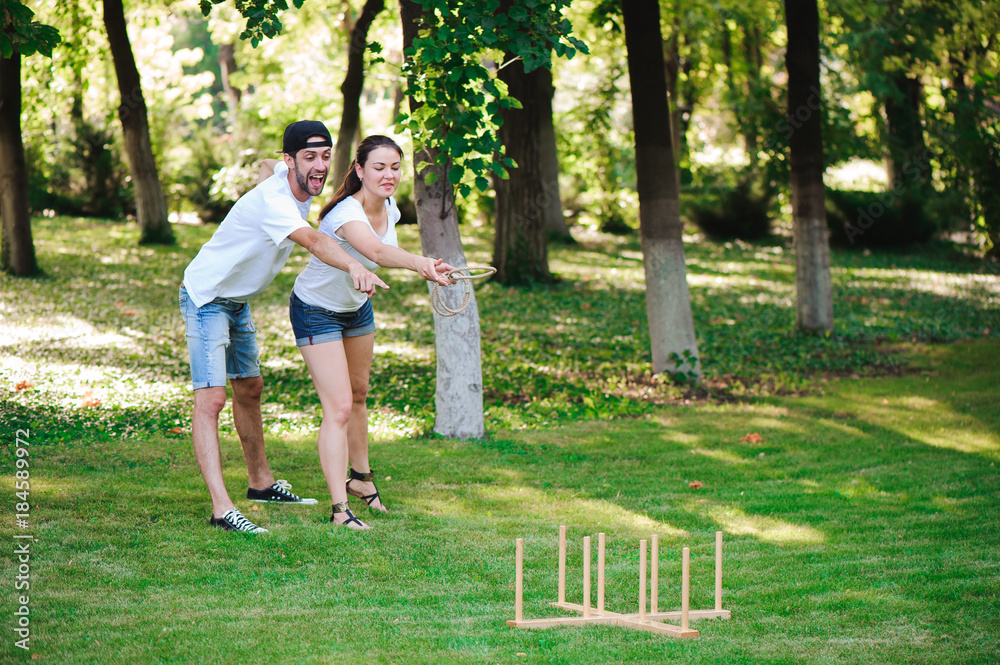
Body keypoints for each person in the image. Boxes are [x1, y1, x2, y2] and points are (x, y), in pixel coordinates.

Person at [179, 120, 388, 534]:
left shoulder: (287, 178)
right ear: (291, 158)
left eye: (326, 156)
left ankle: (261, 483)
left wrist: (275, 164)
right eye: (309, 157)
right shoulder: (277, 201)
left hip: (237, 301)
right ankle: (222, 508)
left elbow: (264, 165)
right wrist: (352, 264)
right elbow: (313, 241)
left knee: (250, 388)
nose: (320, 166)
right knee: (212, 400)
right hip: (206, 297)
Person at [287, 135, 454, 529]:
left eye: (395, 167)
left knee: (359, 394)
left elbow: (381, 252)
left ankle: (361, 480)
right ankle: (339, 509)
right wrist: (422, 263)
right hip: (316, 310)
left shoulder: (391, 207)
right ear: (359, 170)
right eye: (379, 167)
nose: (389, 175)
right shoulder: (347, 212)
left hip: (356, 308)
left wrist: (423, 265)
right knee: (340, 407)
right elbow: (375, 252)